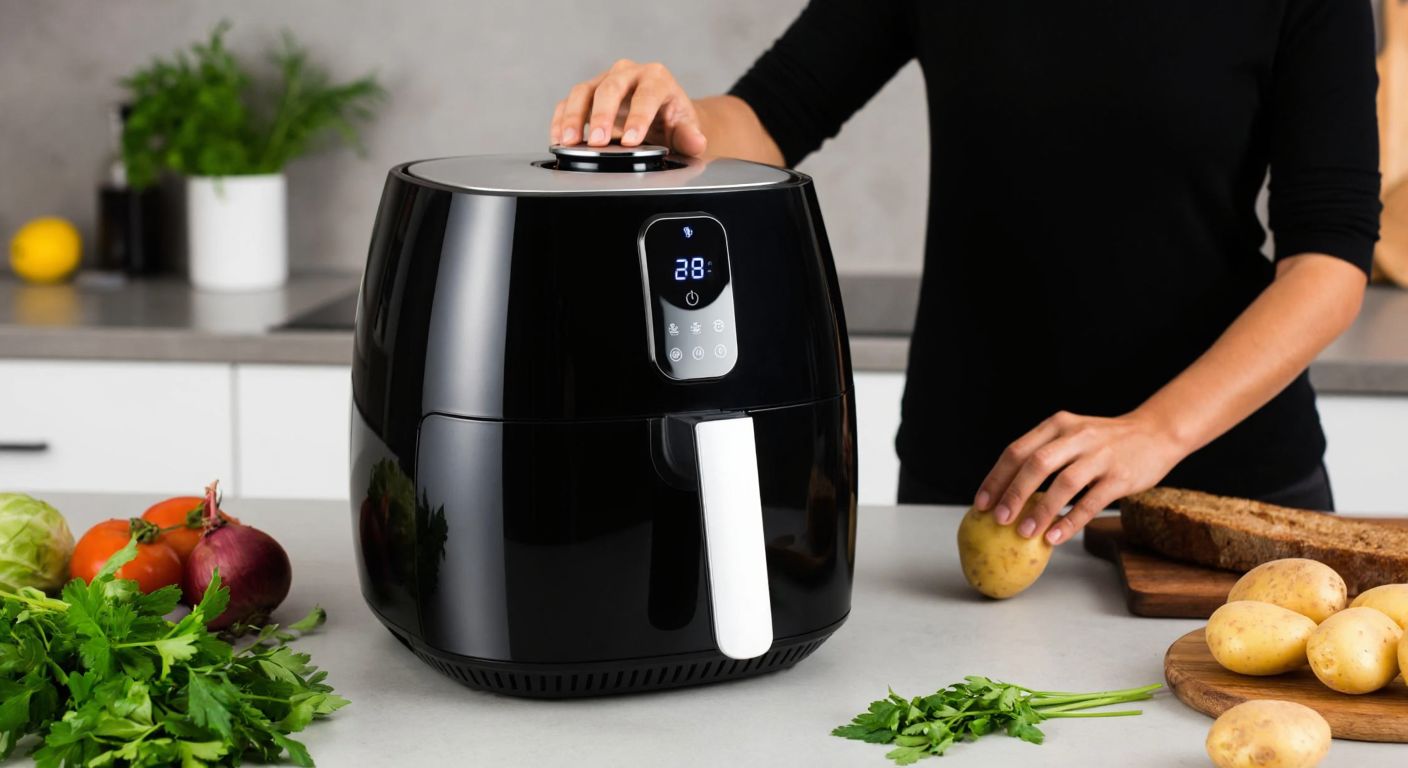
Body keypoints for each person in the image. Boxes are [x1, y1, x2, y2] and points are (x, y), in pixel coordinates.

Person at [548, 1, 1380, 545]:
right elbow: (770, 116)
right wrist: (670, 119)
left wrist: (1155, 431)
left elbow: (1330, 257)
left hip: (1223, 485)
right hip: (981, 487)